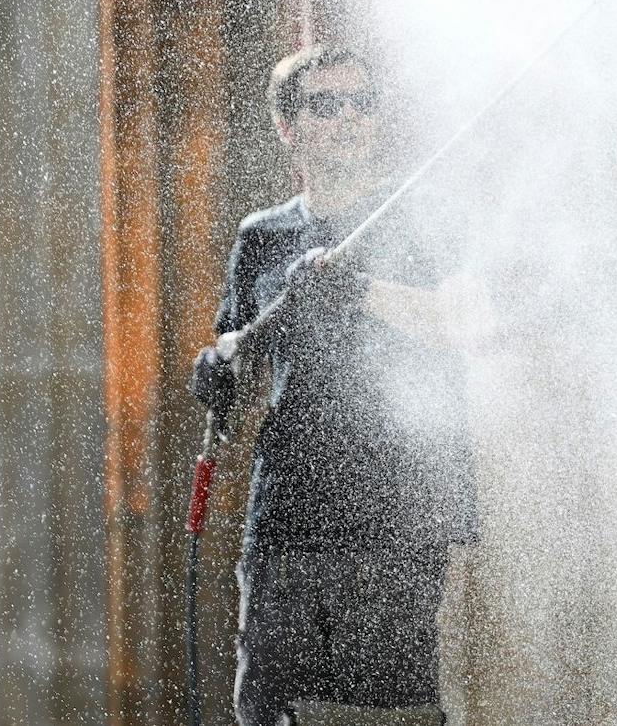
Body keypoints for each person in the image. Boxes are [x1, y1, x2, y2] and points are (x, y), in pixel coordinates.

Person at [191, 44, 476, 726]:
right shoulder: (263, 236)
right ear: (288, 127)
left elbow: (467, 323)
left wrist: (359, 290)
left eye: (361, 103)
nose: (349, 118)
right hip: (289, 516)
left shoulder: (418, 213)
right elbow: (241, 348)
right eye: (326, 106)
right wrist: (216, 367)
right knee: (267, 708)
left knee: (387, 714)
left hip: (398, 513)